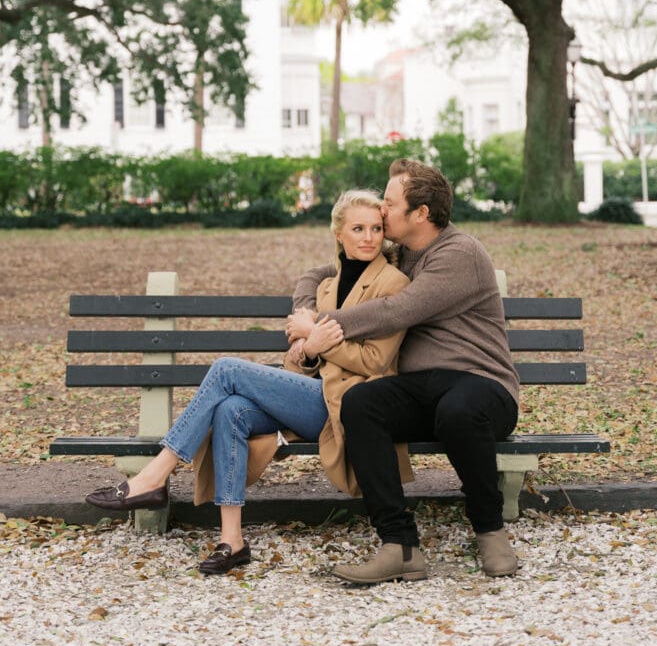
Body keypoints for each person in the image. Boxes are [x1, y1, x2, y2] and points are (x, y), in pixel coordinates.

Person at [86, 190, 410, 575]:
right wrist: (309, 349)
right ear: (338, 233)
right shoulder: (327, 287)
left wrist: (321, 340)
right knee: (231, 409)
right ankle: (232, 540)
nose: (369, 237)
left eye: (376, 229)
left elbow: (376, 360)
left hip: (350, 403)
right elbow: (302, 359)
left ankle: (155, 475)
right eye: (358, 228)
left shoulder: (394, 283)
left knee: (226, 369)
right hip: (314, 394)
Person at [287, 159, 520, 584]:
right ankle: (400, 545)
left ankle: (490, 529)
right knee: (362, 403)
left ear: (421, 213)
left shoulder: (459, 253)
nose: (381, 213)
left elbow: (400, 310)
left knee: (459, 410)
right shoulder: (402, 253)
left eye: (390, 204)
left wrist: (318, 328)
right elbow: (321, 271)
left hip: (482, 387)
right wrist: (305, 309)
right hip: (422, 389)